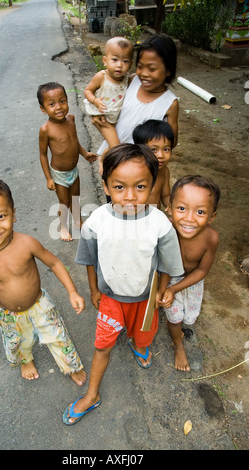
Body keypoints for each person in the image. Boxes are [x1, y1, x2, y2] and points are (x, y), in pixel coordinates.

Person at [62, 143, 184, 425]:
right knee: (102, 346)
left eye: (140, 187)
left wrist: (163, 291)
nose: (130, 196)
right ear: (105, 186)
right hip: (111, 301)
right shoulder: (96, 221)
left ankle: (139, 346)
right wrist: (94, 290)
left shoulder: (160, 224)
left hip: (145, 300)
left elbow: (166, 264)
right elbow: (90, 260)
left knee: (142, 336)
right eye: (119, 187)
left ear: (153, 184)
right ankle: (92, 394)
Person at [0, 177, 87, 384]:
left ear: (13, 215)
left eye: (1, 216)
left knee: (58, 337)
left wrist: (72, 291)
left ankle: (70, 365)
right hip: (9, 315)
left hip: (40, 305)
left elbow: (55, 263)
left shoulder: (27, 243)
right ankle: (25, 360)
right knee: (17, 343)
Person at [161, 175, 220, 371]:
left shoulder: (210, 237)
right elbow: (161, 263)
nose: (189, 218)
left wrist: (177, 288)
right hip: (168, 277)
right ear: (169, 207)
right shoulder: (167, 230)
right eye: (182, 208)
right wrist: (165, 290)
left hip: (193, 280)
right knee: (174, 316)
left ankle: (182, 330)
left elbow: (202, 270)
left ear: (212, 216)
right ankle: (178, 345)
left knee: (189, 316)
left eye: (200, 211)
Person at [95, 34, 179, 172]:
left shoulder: (170, 103)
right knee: (112, 191)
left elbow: (172, 140)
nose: (144, 74)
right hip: (112, 156)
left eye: (152, 69)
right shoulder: (131, 81)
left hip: (140, 167)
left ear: (168, 70)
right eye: (140, 67)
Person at [37, 82, 97, 242]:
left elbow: (74, 142)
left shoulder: (71, 119)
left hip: (74, 170)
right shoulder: (46, 130)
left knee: (75, 198)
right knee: (64, 203)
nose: (59, 107)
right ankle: (63, 226)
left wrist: (85, 154)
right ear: (43, 109)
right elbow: (43, 155)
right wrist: (49, 178)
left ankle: (78, 222)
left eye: (62, 101)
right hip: (59, 174)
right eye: (51, 104)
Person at [84, 36, 134, 149]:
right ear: (105, 61)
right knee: (116, 147)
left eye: (125, 61)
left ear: (131, 64)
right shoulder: (101, 77)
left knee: (113, 144)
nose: (119, 65)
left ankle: (103, 158)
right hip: (104, 119)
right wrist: (95, 100)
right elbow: (87, 90)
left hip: (116, 118)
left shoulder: (127, 79)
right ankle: (106, 163)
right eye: (115, 60)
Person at [133, 119, 174, 210]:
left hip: (153, 219)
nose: (161, 155)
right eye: (154, 150)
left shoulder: (164, 171)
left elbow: (165, 195)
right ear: (139, 149)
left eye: (166, 149)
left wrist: (172, 206)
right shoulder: (133, 173)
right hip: (133, 218)